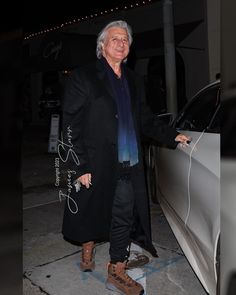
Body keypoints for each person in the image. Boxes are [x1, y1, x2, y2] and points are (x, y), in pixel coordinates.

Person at [61, 20, 191, 295]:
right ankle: (88, 243)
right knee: (92, 209)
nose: (121, 43)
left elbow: (144, 117)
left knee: (122, 214)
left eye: (125, 40)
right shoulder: (84, 77)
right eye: (115, 39)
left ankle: (116, 268)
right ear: (102, 46)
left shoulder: (133, 80)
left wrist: (171, 135)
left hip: (128, 162)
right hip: (96, 161)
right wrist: (79, 165)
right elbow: (70, 124)